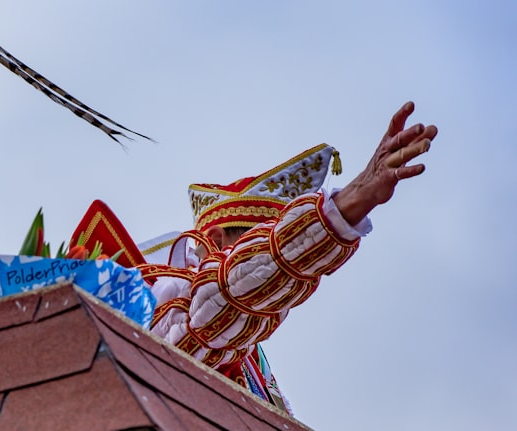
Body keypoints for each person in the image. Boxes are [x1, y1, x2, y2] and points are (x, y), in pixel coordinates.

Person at [142, 101, 437, 412]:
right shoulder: (165, 297)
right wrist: (348, 203)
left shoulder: (251, 355)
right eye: (257, 240)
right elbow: (228, 293)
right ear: (216, 240)